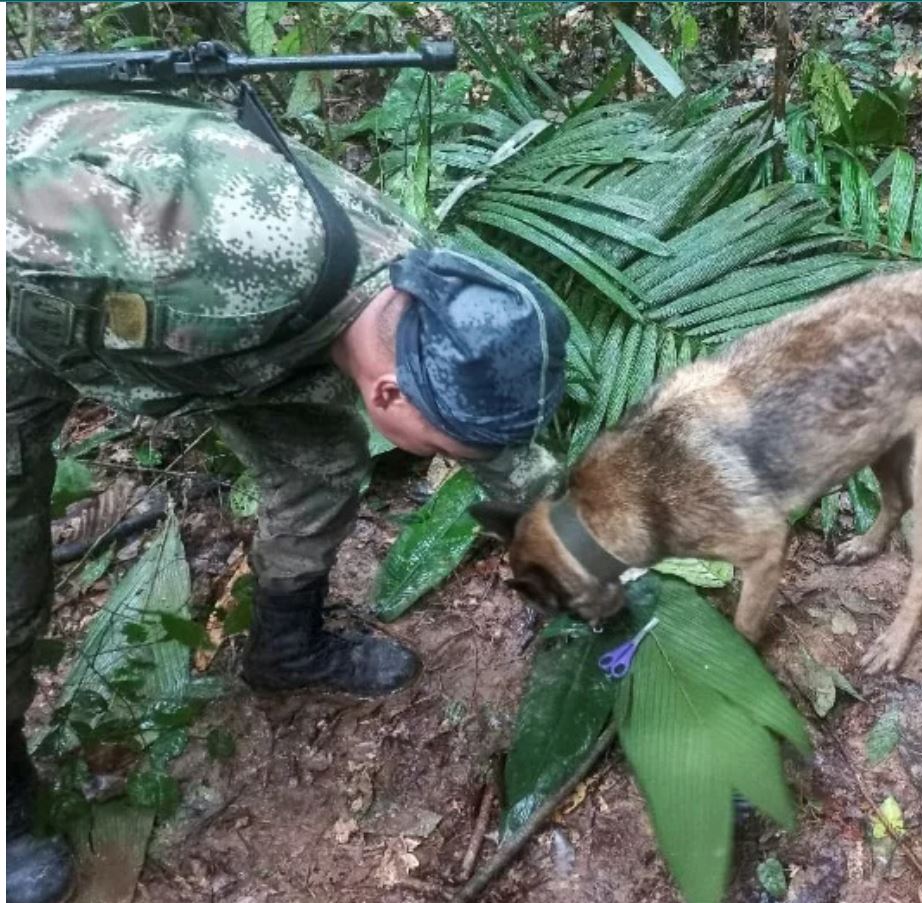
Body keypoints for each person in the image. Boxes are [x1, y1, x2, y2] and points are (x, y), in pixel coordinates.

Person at [6, 88, 568, 903]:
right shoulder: (214, 259)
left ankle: (285, 647)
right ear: (391, 399)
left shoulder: (425, 292)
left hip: (192, 332)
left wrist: (582, 547)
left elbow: (499, 447)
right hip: (24, 292)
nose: (453, 462)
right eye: (444, 450)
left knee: (320, 462)